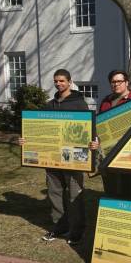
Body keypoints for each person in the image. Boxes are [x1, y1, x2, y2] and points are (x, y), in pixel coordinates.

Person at [19, 69, 89, 245]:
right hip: (53, 159)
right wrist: (27, 141)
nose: (58, 84)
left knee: (74, 195)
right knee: (55, 193)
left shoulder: (79, 104)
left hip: (73, 160)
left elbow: (87, 131)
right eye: (56, 81)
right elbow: (41, 129)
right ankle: (60, 226)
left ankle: (77, 230)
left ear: (70, 82)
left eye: (62, 81)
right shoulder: (50, 105)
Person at [89, 70, 131, 200]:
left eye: (119, 81)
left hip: (128, 155)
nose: (116, 84)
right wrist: (97, 141)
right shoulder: (106, 101)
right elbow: (100, 127)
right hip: (109, 154)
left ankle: (130, 216)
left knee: (130, 190)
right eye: (113, 82)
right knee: (111, 190)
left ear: (126, 82)